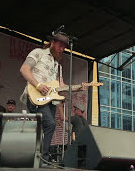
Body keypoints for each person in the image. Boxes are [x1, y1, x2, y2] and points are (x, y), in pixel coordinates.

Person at [19, 31, 88, 162]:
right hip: (35, 96)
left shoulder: (58, 66)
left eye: (64, 47)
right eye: (59, 46)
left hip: (50, 100)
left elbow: (61, 86)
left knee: (47, 127)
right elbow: (24, 69)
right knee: (50, 124)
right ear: (52, 43)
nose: (62, 49)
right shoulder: (38, 52)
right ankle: (43, 158)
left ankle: (36, 155)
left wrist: (80, 87)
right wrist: (38, 85)